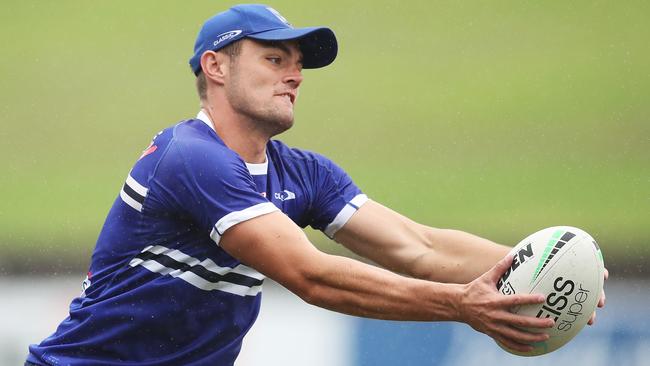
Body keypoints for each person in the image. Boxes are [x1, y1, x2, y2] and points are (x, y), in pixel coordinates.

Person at [26, 4, 606, 366]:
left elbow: (418, 247)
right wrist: (463, 305)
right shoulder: (190, 158)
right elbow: (311, 275)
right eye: (275, 58)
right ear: (216, 67)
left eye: (297, 63)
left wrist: (538, 268)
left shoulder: (303, 174)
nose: (296, 74)